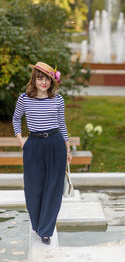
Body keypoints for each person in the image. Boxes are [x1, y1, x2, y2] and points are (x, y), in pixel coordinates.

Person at [12, 61, 72, 245]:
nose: (43, 82)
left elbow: (62, 125)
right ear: (34, 80)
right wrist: (21, 140)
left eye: (47, 79)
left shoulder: (58, 100)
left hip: (55, 144)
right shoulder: (24, 99)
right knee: (34, 188)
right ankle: (38, 225)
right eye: (40, 78)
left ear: (52, 81)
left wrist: (67, 147)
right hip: (34, 144)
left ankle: (46, 231)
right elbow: (16, 118)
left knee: (53, 188)